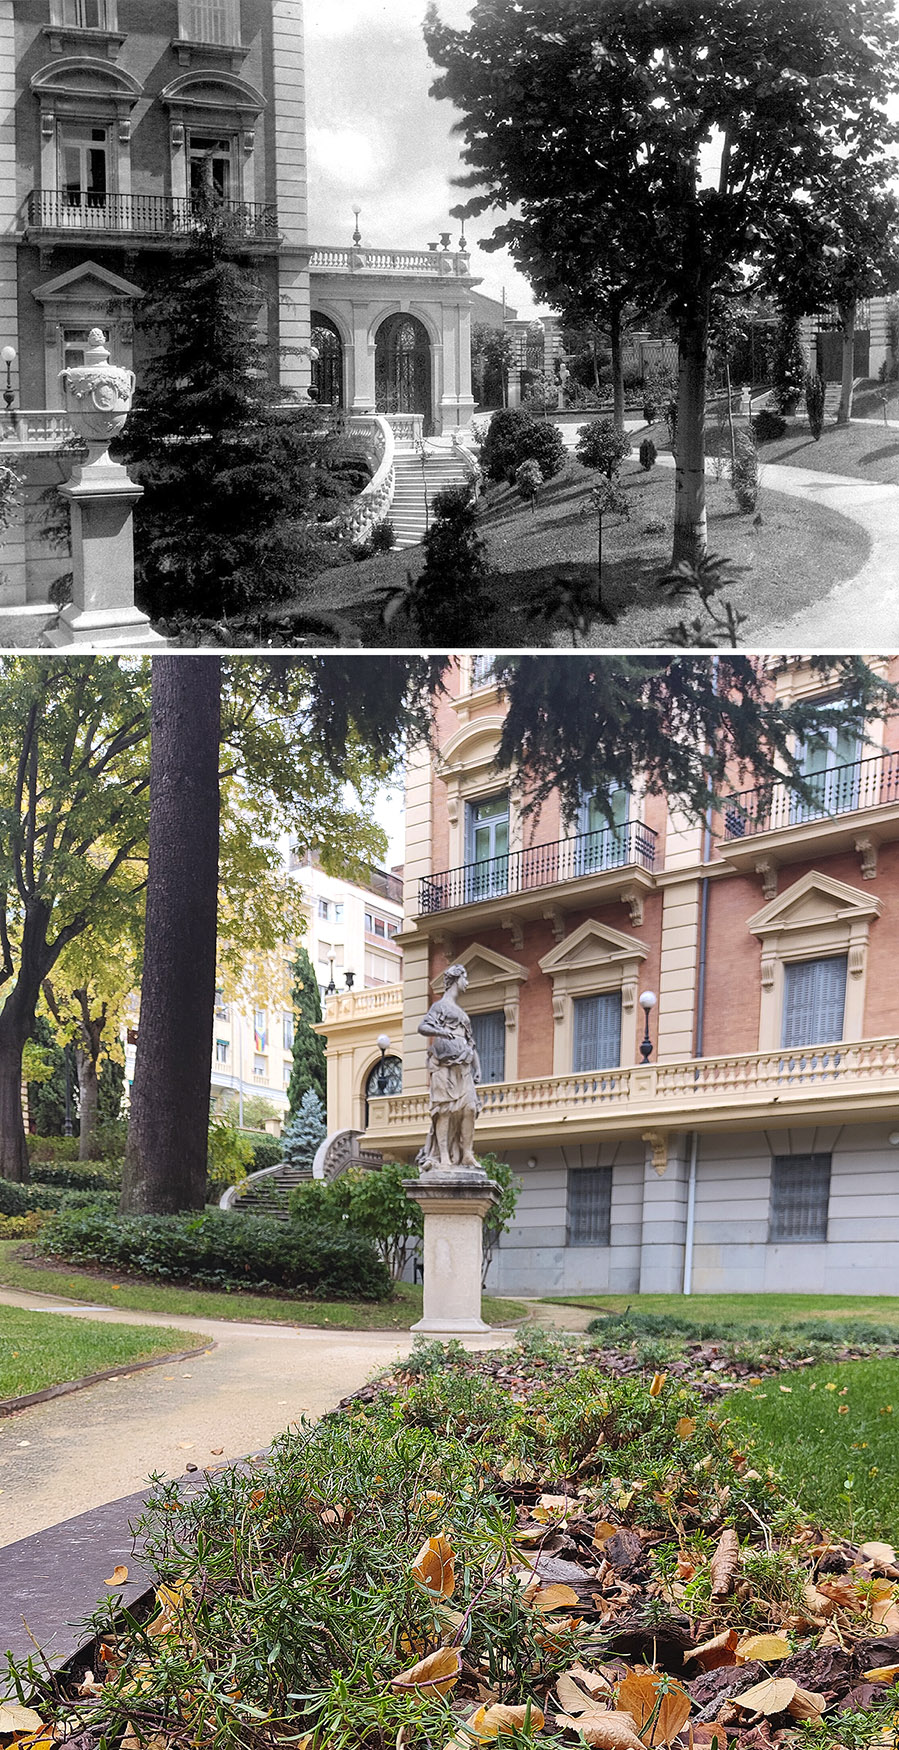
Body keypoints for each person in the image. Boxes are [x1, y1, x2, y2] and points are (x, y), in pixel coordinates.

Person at [417, 963, 483, 1174]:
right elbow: (423, 1027)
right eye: (466, 979)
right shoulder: (440, 1006)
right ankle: (444, 1156)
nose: (468, 983)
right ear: (457, 979)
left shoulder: (463, 1014)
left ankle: (467, 1153)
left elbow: (471, 1045)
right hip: (443, 1066)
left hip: (464, 1067)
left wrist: (477, 1067)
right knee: (444, 1111)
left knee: (470, 1107)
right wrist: (443, 1033)